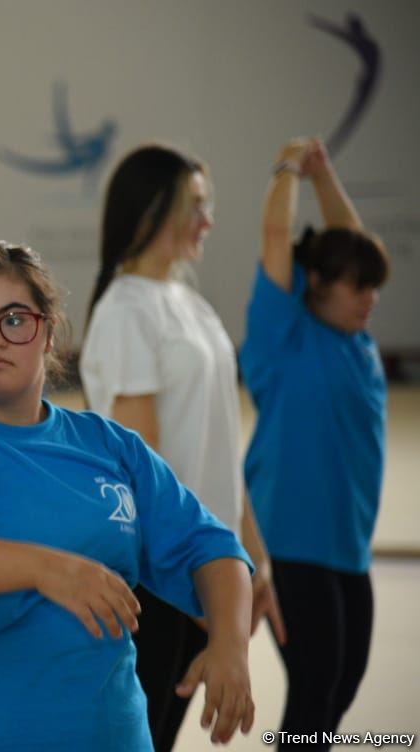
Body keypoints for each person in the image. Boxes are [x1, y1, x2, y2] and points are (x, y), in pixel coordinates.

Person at [0, 241, 255, 751]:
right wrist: (47, 569)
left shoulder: (110, 447)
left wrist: (231, 646)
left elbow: (212, 549)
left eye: (14, 320)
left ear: (48, 331)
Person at [79, 144, 284, 750]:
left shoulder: (189, 303)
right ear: (150, 211)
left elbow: (219, 441)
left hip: (203, 569)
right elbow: (145, 473)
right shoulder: (125, 312)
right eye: (194, 205)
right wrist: (195, 589)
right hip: (161, 579)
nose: (208, 219)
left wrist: (251, 554)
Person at [240, 138, 388, 750]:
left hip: (348, 547)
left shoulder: (357, 340)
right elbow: (277, 236)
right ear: (317, 282)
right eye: (358, 287)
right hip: (290, 542)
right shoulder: (284, 335)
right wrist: (289, 169)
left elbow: (350, 242)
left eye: (373, 287)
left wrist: (326, 177)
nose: (370, 298)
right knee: (316, 688)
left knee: (340, 689)